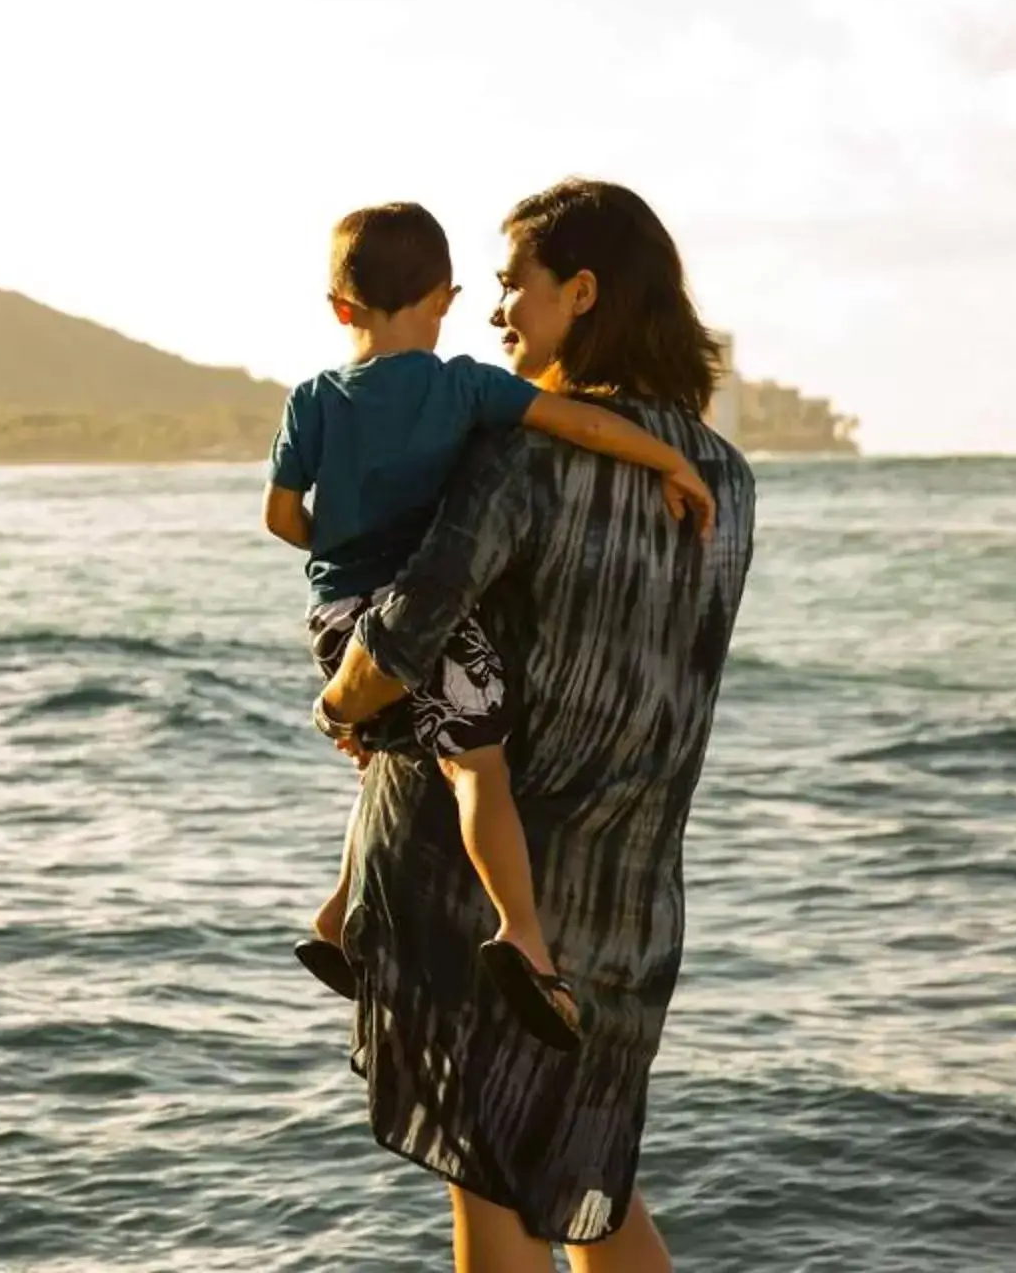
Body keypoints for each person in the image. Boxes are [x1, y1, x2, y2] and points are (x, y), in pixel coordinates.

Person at [317, 181, 758, 1271]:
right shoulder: (724, 474)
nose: (496, 306)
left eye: (514, 282)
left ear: (584, 291)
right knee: (582, 1182)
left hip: (480, 891)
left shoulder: (521, 454)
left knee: (493, 1177)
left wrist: (341, 698)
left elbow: (410, 628)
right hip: (627, 887)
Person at [269, 205, 714, 1048]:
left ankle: (336, 918)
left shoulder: (311, 400)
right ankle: (525, 936)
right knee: (477, 762)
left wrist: (338, 546)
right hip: (406, 620)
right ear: (445, 297)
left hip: (332, 614)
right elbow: (581, 422)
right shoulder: (463, 386)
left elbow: (282, 516)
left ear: (339, 308)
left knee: (395, 755)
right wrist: (670, 459)